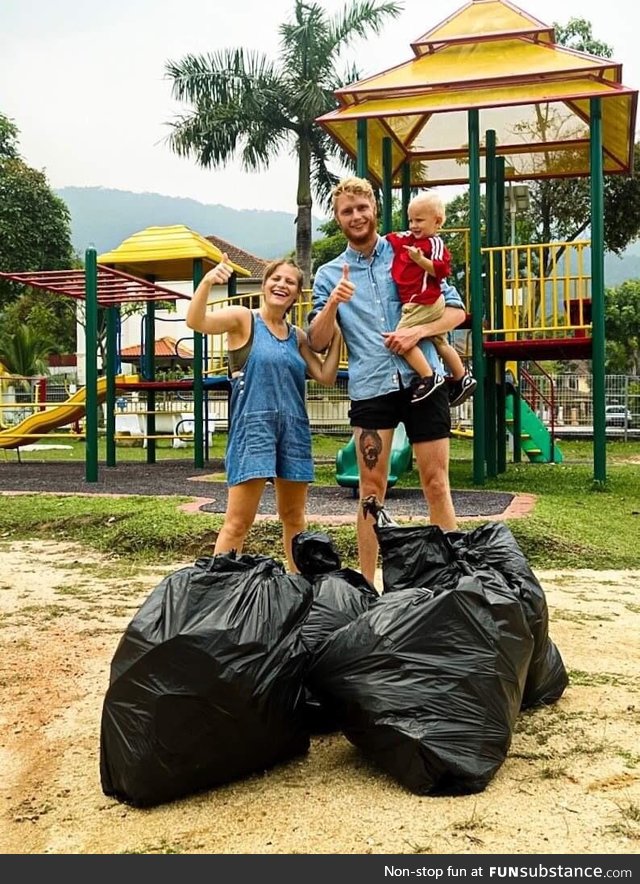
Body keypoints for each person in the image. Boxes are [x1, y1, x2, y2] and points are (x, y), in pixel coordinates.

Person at [308, 177, 466, 583]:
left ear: (374, 208)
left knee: (436, 481)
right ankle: (365, 584)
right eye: (347, 211)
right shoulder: (329, 274)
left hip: (423, 380)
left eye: (362, 207)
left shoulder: (406, 250)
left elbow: (456, 311)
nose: (356, 216)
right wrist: (333, 304)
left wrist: (416, 333)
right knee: (370, 489)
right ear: (338, 219)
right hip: (371, 387)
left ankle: (454, 582)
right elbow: (318, 340)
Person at [186, 253, 342, 573]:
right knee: (238, 522)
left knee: (295, 518)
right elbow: (196, 321)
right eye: (276, 278)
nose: (281, 284)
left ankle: (298, 590)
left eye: (289, 282)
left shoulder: (297, 336)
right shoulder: (243, 319)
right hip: (253, 428)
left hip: (294, 430)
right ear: (264, 284)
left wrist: (337, 329)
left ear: (297, 294)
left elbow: (326, 375)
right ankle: (216, 590)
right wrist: (206, 282)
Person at [386, 190, 477, 406]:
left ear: (436, 222)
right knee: (440, 340)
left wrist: (420, 260)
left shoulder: (434, 243)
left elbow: (441, 270)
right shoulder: (410, 238)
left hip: (424, 301)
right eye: (410, 220)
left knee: (401, 339)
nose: (413, 225)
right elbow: (393, 238)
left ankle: (429, 377)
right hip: (420, 302)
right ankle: (462, 376)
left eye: (419, 220)